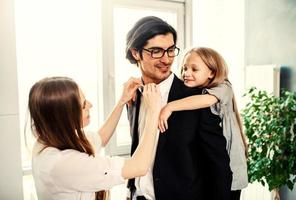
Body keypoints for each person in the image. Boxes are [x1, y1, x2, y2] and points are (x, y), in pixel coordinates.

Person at [125, 16, 232, 200]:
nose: (167, 59)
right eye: (157, 51)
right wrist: (132, 190)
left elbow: (218, 167)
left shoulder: (197, 99)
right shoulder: (133, 95)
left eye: (171, 50)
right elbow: (138, 147)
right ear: (136, 53)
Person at [29, 76, 161, 200]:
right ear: (64, 115)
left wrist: (122, 101)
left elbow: (101, 138)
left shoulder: (52, 137)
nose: (90, 105)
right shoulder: (62, 165)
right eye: (83, 104)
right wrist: (153, 112)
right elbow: (139, 166)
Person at [158, 47, 248, 200]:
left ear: (211, 73)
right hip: (211, 173)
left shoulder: (224, 87)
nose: (187, 73)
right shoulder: (195, 92)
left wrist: (169, 107)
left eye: (194, 69)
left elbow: (205, 100)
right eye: (184, 68)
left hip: (231, 169)